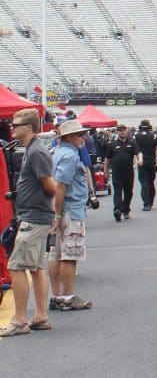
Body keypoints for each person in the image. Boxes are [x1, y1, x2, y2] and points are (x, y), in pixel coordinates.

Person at [0, 108, 60, 337]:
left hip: (35, 217)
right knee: (35, 268)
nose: (11, 127)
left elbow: (50, 186)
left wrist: (51, 213)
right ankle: (40, 316)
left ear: (29, 127)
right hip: (36, 215)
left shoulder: (36, 152)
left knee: (16, 266)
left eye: (16, 124)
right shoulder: (32, 150)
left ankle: (20, 319)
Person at [48, 117, 93, 312]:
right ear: (69, 137)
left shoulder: (56, 152)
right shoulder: (70, 156)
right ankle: (67, 296)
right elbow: (61, 186)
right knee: (70, 255)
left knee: (56, 254)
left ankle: (57, 295)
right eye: (80, 134)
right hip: (70, 210)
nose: (84, 137)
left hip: (60, 209)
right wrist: (57, 215)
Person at [108, 122, 138, 222]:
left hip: (129, 172)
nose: (122, 132)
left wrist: (140, 160)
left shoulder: (131, 143)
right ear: (117, 132)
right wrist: (105, 172)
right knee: (117, 192)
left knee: (128, 192)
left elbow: (138, 153)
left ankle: (125, 210)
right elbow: (107, 160)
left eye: (124, 130)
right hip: (117, 172)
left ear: (126, 131)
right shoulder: (112, 145)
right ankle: (117, 210)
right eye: (120, 131)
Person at [135, 118, 157, 210]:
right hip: (151, 161)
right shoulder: (154, 136)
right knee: (151, 182)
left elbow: (134, 151)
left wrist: (135, 161)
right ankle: (151, 202)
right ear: (149, 126)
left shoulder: (136, 136)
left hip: (141, 161)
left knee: (144, 182)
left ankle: (146, 204)